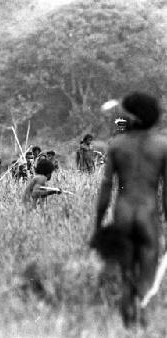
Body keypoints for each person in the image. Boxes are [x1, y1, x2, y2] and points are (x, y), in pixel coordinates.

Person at [91, 92, 167, 328]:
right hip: (147, 214)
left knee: (125, 274)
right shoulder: (162, 146)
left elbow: (106, 187)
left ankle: (127, 323)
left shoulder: (117, 145)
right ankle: (141, 316)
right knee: (147, 269)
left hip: (123, 213)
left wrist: (98, 222)